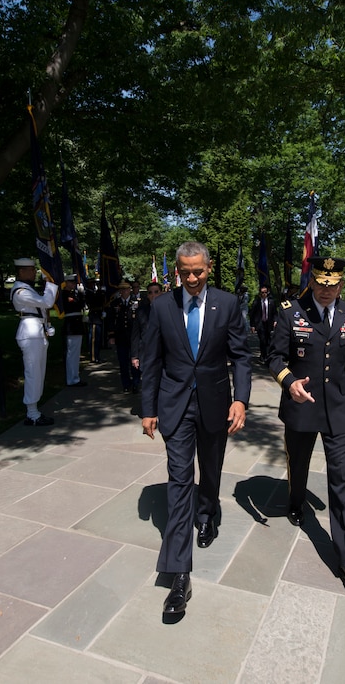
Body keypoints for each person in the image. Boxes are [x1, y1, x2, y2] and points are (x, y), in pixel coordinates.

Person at [140, 241, 252, 616]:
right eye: (185, 271)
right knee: (178, 479)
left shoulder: (228, 304)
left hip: (216, 402)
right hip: (175, 406)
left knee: (212, 468)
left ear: (209, 267)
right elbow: (152, 362)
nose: (191, 278)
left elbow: (240, 356)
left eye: (198, 271)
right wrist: (147, 409)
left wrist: (241, 400)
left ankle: (207, 515)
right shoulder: (160, 307)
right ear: (177, 270)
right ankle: (178, 575)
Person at [267, 256, 345, 605]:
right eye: (321, 284)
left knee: (342, 479)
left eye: (333, 285)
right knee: (298, 464)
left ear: (341, 285)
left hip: (339, 409)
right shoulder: (289, 311)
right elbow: (274, 357)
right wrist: (289, 382)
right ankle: (295, 500)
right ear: (312, 282)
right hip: (301, 405)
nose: (327, 291)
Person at [11, 257, 59, 426]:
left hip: (37, 332)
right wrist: (51, 284)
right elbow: (46, 302)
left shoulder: (28, 289)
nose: (34, 272)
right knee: (33, 374)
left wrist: (47, 327)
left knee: (39, 373)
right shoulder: (20, 291)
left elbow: (42, 309)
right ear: (21, 272)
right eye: (30, 270)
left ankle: (35, 409)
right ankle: (32, 414)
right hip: (30, 333)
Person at [108, 281, 139, 392]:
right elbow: (111, 320)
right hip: (120, 337)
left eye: (126, 289)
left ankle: (136, 382)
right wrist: (111, 335)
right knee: (123, 362)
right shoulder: (115, 304)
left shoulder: (136, 302)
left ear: (129, 290)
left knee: (134, 360)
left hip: (133, 336)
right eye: (121, 290)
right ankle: (126, 384)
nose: (124, 292)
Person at [60, 274, 88, 388]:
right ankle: (72, 379)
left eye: (74, 283)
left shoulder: (74, 294)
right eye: (71, 282)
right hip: (71, 325)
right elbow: (73, 306)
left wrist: (81, 294)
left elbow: (81, 305)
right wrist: (80, 296)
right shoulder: (64, 295)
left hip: (76, 325)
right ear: (66, 283)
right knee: (72, 354)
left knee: (75, 354)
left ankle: (74, 377)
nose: (73, 284)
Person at [130, 281, 163, 376]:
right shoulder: (141, 312)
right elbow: (136, 335)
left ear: (161, 293)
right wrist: (135, 356)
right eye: (150, 293)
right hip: (147, 354)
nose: (153, 295)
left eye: (156, 292)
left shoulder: (169, 310)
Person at [249, 284, 276, 365]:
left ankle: (267, 355)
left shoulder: (271, 302)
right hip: (260, 324)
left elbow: (275, 313)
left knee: (268, 340)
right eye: (262, 292)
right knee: (262, 340)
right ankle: (263, 356)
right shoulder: (256, 302)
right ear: (260, 293)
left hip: (268, 323)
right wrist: (252, 325)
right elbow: (252, 314)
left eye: (265, 292)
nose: (263, 294)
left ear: (267, 293)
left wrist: (275, 320)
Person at [84, 278, 106, 363]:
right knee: (93, 339)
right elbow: (94, 302)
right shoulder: (88, 293)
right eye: (92, 284)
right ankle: (93, 357)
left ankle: (97, 356)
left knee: (97, 339)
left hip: (98, 317)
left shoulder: (94, 292)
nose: (94, 285)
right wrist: (101, 292)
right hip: (94, 317)